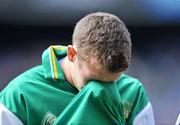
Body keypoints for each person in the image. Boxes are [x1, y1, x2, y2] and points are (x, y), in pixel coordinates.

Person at [0, 12, 155, 125]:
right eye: (93, 80)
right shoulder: (19, 95)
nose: (101, 90)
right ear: (72, 54)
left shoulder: (133, 93)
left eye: (112, 82)